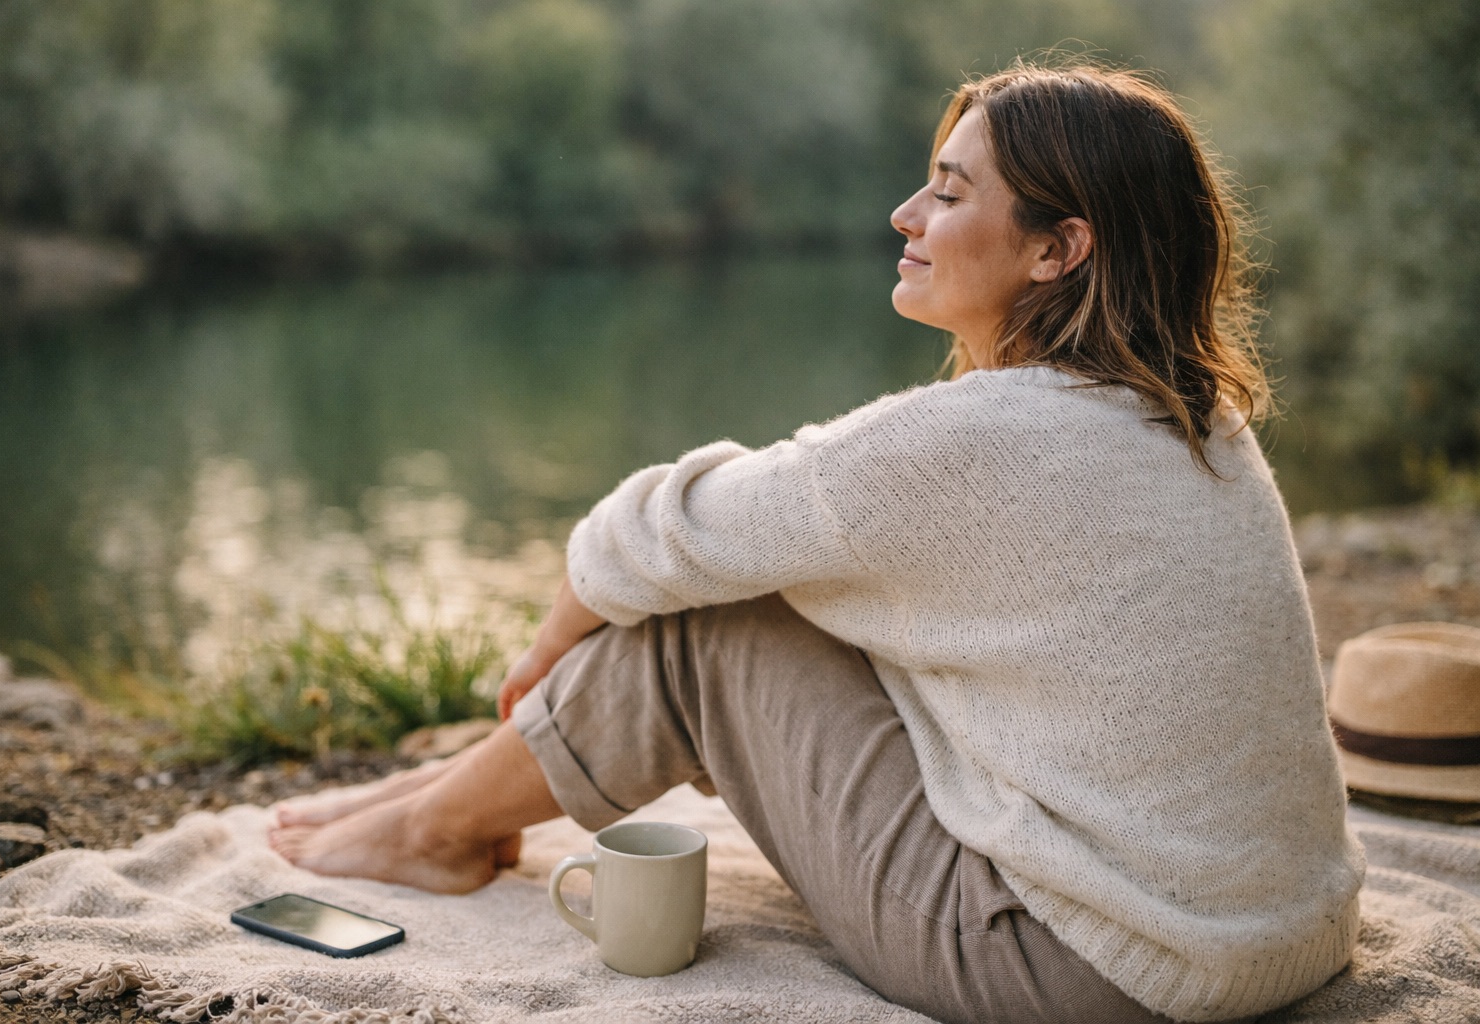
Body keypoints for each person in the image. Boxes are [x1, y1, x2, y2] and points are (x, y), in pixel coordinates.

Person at [269, 59, 1364, 1024]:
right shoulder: (1194, 420)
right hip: (1279, 937)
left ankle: (433, 829)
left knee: (714, 620)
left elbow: (664, 527)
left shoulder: (994, 437)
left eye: (947, 191)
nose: (905, 214)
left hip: (1093, 972)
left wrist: (549, 649)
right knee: (776, 580)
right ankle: (434, 806)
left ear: (1058, 249)